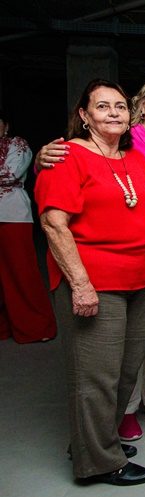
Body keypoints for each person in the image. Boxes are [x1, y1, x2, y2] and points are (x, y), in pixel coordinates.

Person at [36, 75, 145, 440]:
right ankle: (112, 433)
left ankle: (135, 415)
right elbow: (56, 218)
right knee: (106, 364)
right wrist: (80, 284)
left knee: (143, 351)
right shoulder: (100, 147)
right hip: (101, 274)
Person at [0, 110, 57, 343]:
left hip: (12, 215)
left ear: (6, 126)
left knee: (21, 272)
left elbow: (11, 174)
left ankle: (37, 327)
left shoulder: (17, 144)